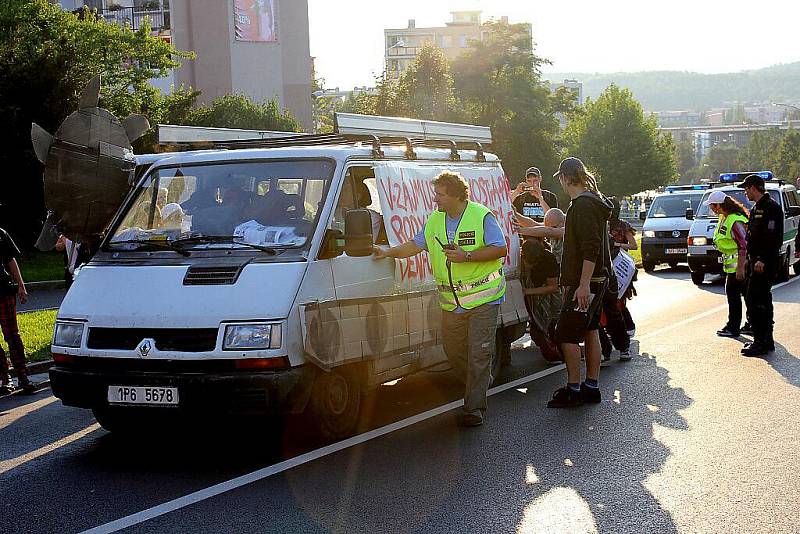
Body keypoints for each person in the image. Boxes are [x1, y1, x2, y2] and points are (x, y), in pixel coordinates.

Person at [373, 171, 507, 427]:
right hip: (452, 304)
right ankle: (480, 380)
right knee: (453, 351)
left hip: (484, 301)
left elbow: (499, 248)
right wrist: (387, 252)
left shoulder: (481, 215)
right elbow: (414, 245)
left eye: (440, 194)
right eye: (436, 194)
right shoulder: (435, 219)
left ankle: (474, 408)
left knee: (479, 354)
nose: (436, 199)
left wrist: (466, 256)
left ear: (457, 194)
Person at [547, 157, 613, 408]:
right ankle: (591, 386)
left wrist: (583, 285)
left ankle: (574, 389)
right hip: (596, 279)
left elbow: (591, 247)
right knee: (591, 328)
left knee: (566, 334)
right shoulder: (591, 202)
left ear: (565, 178)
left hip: (587, 282)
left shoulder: (583, 205)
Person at [738, 174, 783, 356]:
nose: (745, 192)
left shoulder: (771, 207)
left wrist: (762, 259)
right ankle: (765, 340)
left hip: (764, 262)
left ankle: (760, 341)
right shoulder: (758, 207)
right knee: (760, 300)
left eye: (746, 188)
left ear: (754, 188)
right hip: (755, 260)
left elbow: (773, 238)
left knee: (755, 300)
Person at [703, 190, 750, 337]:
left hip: (739, 265)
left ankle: (733, 327)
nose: (711, 209)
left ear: (719, 205)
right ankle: (750, 325)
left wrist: (741, 268)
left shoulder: (734, 220)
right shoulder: (725, 217)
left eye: (712, 206)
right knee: (742, 296)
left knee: (735, 297)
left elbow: (744, 244)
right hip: (732, 264)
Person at [0, 227, 36, 394]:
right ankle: (5, 377)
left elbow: (10, 260)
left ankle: (23, 376)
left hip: (3, 292)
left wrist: (21, 285)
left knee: (12, 336)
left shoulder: (0, 233)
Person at [520, 238, 562, 363]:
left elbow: (553, 287)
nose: (530, 264)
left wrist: (527, 292)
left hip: (547, 295)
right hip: (532, 293)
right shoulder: (520, 256)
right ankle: (551, 352)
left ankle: (559, 353)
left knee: (553, 324)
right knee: (538, 330)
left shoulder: (548, 259)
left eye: (533, 262)